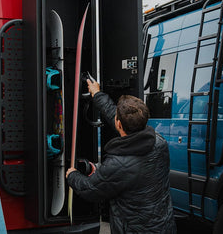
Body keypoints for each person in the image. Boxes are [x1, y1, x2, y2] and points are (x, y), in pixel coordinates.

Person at [66, 80, 176, 234]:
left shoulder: (118, 164)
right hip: (164, 226)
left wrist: (72, 175)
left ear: (119, 124)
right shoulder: (159, 142)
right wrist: (97, 95)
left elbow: (90, 190)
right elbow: (115, 116)